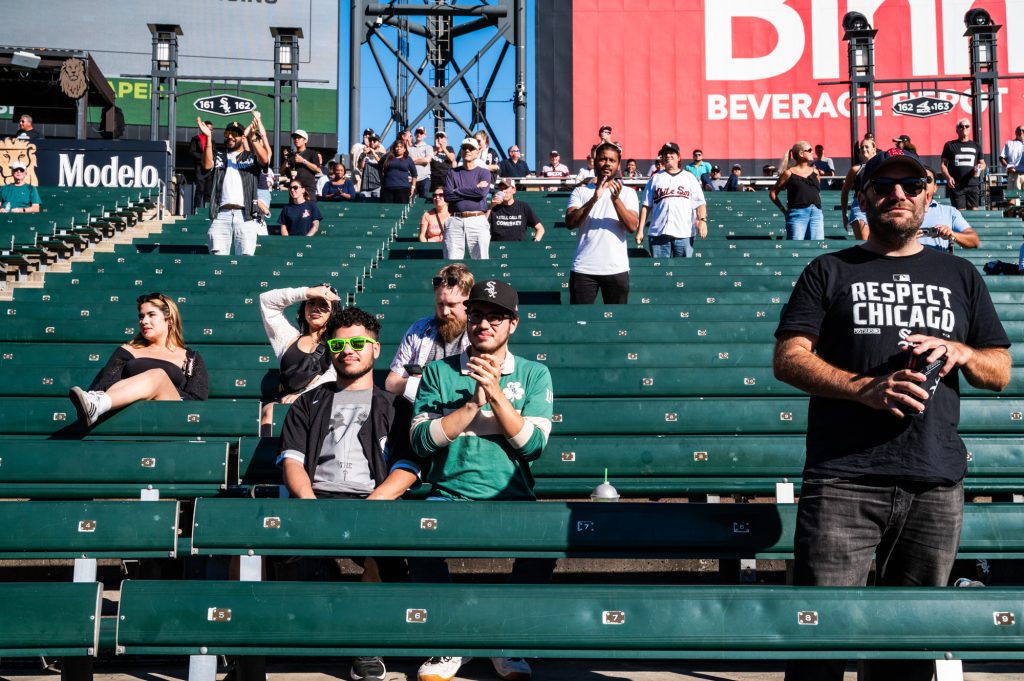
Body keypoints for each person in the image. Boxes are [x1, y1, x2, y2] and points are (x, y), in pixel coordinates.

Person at [773, 149, 1011, 681]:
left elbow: (999, 369)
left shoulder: (960, 274)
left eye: (910, 186)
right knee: (822, 642)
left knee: (907, 649)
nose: (897, 195)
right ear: (864, 198)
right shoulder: (829, 269)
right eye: (883, 186)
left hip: (934, 480)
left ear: (930, 196)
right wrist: (864, 388)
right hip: (844, 480)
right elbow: (787, 358)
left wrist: (963, 352)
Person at [409, 279, 555, 681]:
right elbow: (421, 441)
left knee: (545, 543)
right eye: (477, 316)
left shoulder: (533, 374)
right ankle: (449, 642)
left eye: (495, 317)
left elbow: (533, 446)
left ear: (513, 324)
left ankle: (504, 641)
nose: (484, 324)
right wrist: (473, 402)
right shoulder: (439, 372)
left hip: (512, 496)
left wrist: (496, 394)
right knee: (416, 538)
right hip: (449, 494)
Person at [278, 306, 425, 681]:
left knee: (382, 546)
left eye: (359, 342)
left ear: (375, 349)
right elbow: (292, 462)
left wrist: (375, 504)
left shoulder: (396, 406)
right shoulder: (308, 402)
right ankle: (241, 648)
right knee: (245, 542)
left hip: (373, 501)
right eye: (339, 344)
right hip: (316, 498)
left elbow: (407, 467)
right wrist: (308, 504)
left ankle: (366, 646)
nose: (349, 350)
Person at [69, 293, 209, 426]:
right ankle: (97, 407)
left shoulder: (189, 358)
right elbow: (102, 386)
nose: (144, 321)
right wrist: (139, 390)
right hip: (131, 416)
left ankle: (98, 406)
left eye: (151, 315)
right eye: (141, 317)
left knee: (158, 376)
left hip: (173, 415)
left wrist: (154, 389)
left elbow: (196, 402)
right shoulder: (128, 350)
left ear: (170, 320)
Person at [565, 141, 640, 304]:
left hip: (616, 268)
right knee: (580, 323)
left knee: (617, 324)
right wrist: (593, 199)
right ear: (595, 161)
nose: (607, 163)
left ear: (618, 164)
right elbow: (570, 222)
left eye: (612, 160)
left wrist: (615, 199)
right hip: (584, 268)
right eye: (603, 159)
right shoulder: (581, 191)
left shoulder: (628, 193)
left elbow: (632, 226)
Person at [385, 264, 473, 400]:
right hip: (419, 411)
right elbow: (391, 383)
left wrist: (430, 383)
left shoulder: (479, 331)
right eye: (440, 304)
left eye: (451, 305)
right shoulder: (419, 329)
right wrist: (419, 385)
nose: (445, 312)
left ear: (468, 302)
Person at [259, 284, 340, 430]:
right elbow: (266, 301)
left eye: (323, 304)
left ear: (333, 312)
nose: (316, 308)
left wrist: (303, 396)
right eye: (311, 302)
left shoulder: (338, 341)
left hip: (321, 401)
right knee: (269, 411)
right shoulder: (288, 338)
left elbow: (334, 375)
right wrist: (307, 292)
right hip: (286, 403)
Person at [200, 114, 270, 256]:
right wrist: (208, 138)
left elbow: (265, 159)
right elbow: (207, 166)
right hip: (220, 214)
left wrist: (253, 138)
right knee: (217, 259)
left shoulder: (250, 157)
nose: (230, 137)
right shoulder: (219, 155)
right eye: (228, 133)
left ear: (243, 137)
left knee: (245, 258)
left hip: (246, 215)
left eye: (235, 134)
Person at [635, 141, 706, 258]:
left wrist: (702, 220)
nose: (668, 155)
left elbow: (700, 203)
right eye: (665, 153)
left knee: (683, 271)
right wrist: (640, 230)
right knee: (660, 272)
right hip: (658, 233)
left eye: (671, 153)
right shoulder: (655, 178)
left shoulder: (689, 177)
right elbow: (646, 206)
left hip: (684, 233)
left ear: (678, 157)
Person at [442, 137, 492, 260]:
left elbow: (481, 193)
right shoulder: (452, 172)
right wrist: (473, 188)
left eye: (471, 148)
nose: (467, 150)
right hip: (455, 219)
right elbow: (448, 196)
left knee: (481, 259)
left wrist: (457, 190)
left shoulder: (484, 172)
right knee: (452, 262)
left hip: (477, 219)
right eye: (464, 148)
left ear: (477, 152)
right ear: (461, 151)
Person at [769, 141, 823, 240]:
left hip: (816, 214)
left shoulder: (816, 172)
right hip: (797, 214)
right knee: (796, 249)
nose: (813, 152)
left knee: (817, 248)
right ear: (801, 154)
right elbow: (773, 193)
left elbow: (817, 192)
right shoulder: (788, 173)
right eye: (810, 150)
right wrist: (784, 211)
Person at [919, 166, 980, 251]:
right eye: (918, 180)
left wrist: (952, 235)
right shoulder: (902, 211)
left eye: (928, 180)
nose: (923, 184)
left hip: (938, 263)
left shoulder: (949, 212)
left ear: (935, 188)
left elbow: (974, 241)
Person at [941, 118, 985, 210]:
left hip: (973, 184)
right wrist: (948, 178)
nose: (964, 128)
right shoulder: (949, 145)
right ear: (957, 130)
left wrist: (980, 167)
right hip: (957, 185)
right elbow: (943, 165)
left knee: (974, 212)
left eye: (966, 126)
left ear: (970, 129)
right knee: (960, 213)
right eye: (961, 126)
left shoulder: (977, 146)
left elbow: (983, 163)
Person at [840, 138, 877, 239]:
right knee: (864, 241)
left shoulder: (881, 167)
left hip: (877, 206)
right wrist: (844, 215)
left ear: (874, 149)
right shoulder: (855, 169)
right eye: (862, 147)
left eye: (866, 146)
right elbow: (844, 192)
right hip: (860, 207)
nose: (864, 149)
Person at [380, 139, 417, 204]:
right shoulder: (387, 157)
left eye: (401, 147)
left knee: (400, 210)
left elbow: (414, 174)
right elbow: (379, 167)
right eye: (397, 146)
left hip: (403, 189)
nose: (398, 148)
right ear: (394, 148)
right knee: (386, 210)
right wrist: (382, 179)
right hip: (387, 188)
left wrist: (413, 187)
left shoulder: (408, 159)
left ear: (405, 149)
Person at [188, 120, 214, 212]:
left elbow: (213, 153)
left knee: (208, 190)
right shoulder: (196, 138)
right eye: (209, 128)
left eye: (212, 129)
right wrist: (203, 157)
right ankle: (197, 210)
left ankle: (207, 210)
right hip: (199, 167)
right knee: (200, 189)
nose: (210, 130)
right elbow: (192, 152)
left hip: (209, 169)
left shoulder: (212, 141)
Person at [290, 129, 323, 197]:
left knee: (309, 207)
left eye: (299, 137)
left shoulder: (312, 153)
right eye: (295, 138)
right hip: (294, 189)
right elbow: (285, 173)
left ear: (305, 140)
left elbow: (318, 170)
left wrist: (303, 161)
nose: (296, 139)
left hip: (308, 189)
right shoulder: (291, 156)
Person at [999, 125, 1024, 201]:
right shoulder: (1009, 143)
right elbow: (1001, 158)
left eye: (1023, 131)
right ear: (1015, 132)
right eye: (1019, 130)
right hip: (1014, 174)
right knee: (1012, 200)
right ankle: (1012, 213)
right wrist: (1008, 167)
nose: (1021, 132)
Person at [409, 126, 434, 199]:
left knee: (423, 201)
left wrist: (413, 160)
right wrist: (421, 160)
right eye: (417, 132)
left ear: (424, 135)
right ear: (414, 134)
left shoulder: (428, 147)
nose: (419, 134)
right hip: (411, 179)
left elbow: (427, 160)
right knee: (410, 201)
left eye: (421, 132)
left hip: (424, 178)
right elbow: (408, 161)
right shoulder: (409, 148)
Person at [359, 134, 385, 200]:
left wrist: (373, 153)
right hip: (365, 186)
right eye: (370, 140)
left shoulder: (383, 155)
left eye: (374, 140)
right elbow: (360, 167)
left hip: (377, 186)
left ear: (379, 142)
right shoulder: (364, 154)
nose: (372, 142)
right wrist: (364, 154)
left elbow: (383, 165)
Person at [349, 128, 374, 192]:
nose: (367, 136)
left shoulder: (377, 148)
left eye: (369, 134)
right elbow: (352, 154)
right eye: (365, 134)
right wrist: (365, 147)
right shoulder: (358, 146)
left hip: (371, 180)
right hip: (358, 178)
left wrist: (370, 146)